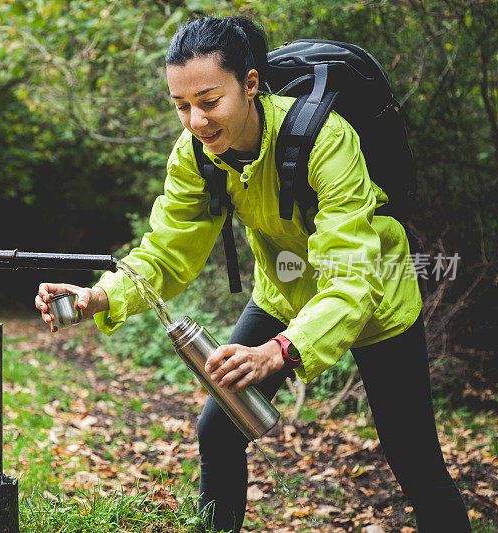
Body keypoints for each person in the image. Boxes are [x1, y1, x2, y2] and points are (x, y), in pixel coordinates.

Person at [34, 15, 470, 533]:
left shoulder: (322, 138)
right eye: (181, 107)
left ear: (250, 84)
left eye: (209, 101)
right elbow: (168, 248)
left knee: (416, 465)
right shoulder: (197, 154)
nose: (196, 121)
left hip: (375, 302)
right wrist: (99, 296)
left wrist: (279, 351)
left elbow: (352, 279)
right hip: (283, 294)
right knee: (219, 430)